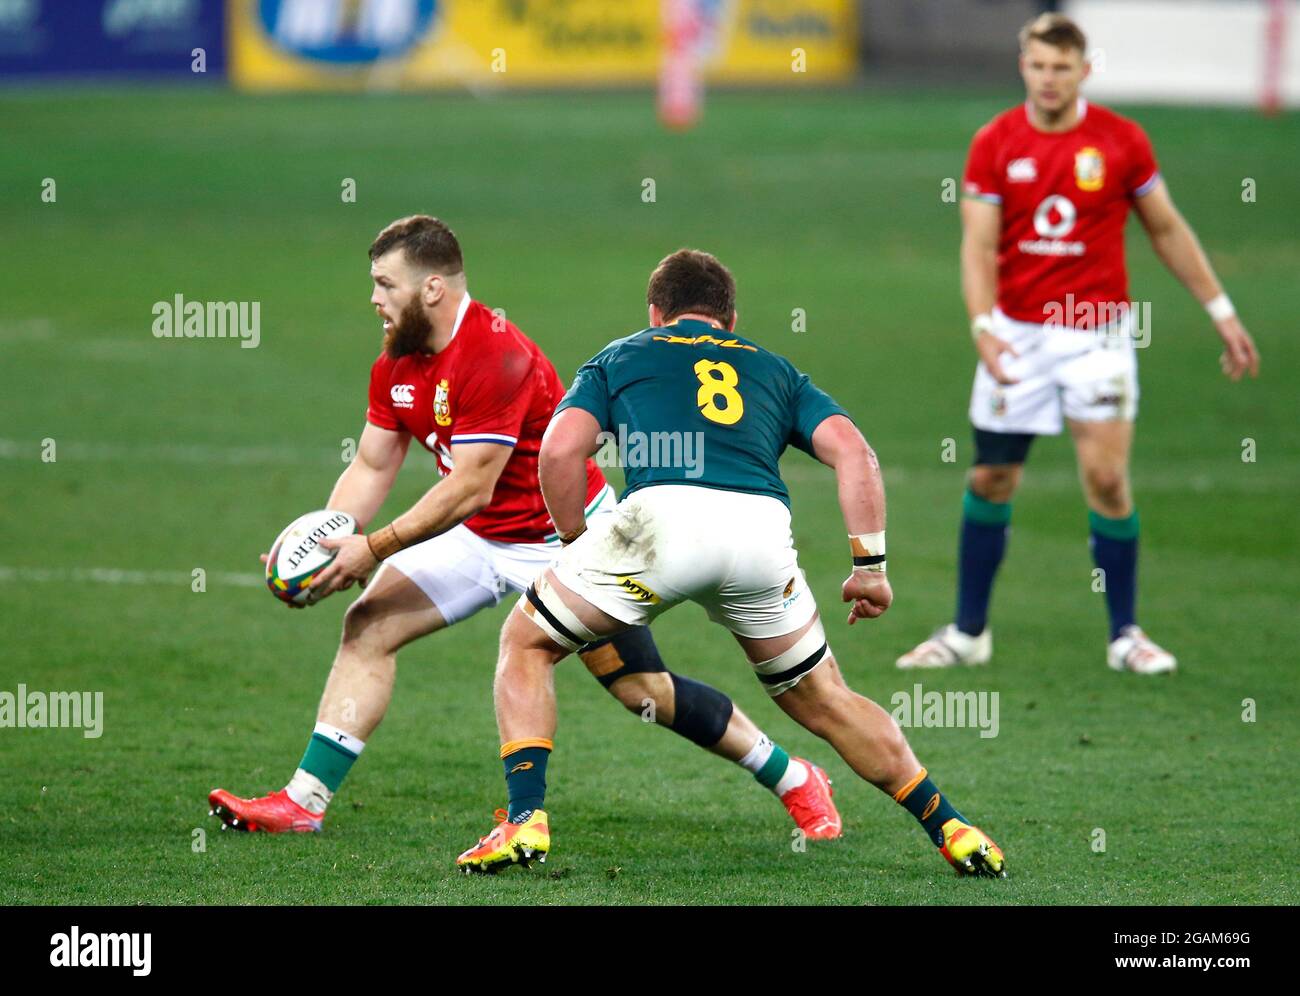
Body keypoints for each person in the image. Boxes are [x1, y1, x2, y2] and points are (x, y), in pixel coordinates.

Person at [207, 217, 841, 840]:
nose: (374, 298)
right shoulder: (397, 361)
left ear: (432, 288)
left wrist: (371, 549)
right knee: (367, 626)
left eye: (385, 283)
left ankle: (792, 777)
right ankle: (303, 803)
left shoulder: (494, 354)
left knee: (640, 688)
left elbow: (470, 484)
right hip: (477, 535)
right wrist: (328, 542)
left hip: (565, 538)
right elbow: (373, 462)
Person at [455, 248, 1005, 877]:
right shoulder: (776, 370)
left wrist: (577, 539)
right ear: (730, 319)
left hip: (658, 526)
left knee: (526, 642)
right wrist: (870, 566)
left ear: (656, 313)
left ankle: (525, 821)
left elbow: (560, 449)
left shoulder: (622, 354)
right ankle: (953, 826)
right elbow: (856, 453)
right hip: (760, 535)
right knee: (824, 697)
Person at [897, 13, 1260, 675]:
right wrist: (982, 326)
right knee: (992, 475)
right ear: (1023, 67)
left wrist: (1221, 309)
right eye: (1038, 66)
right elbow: (978, 247)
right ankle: (969, 631)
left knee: (1106, 479)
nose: (1049, 79)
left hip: (1097, 336)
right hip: (1016, 333)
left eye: (1062, 67)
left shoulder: (1121, 142)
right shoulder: (995, 143)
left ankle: (1126, 634)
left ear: (1084, 70)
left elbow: (1168, 229)